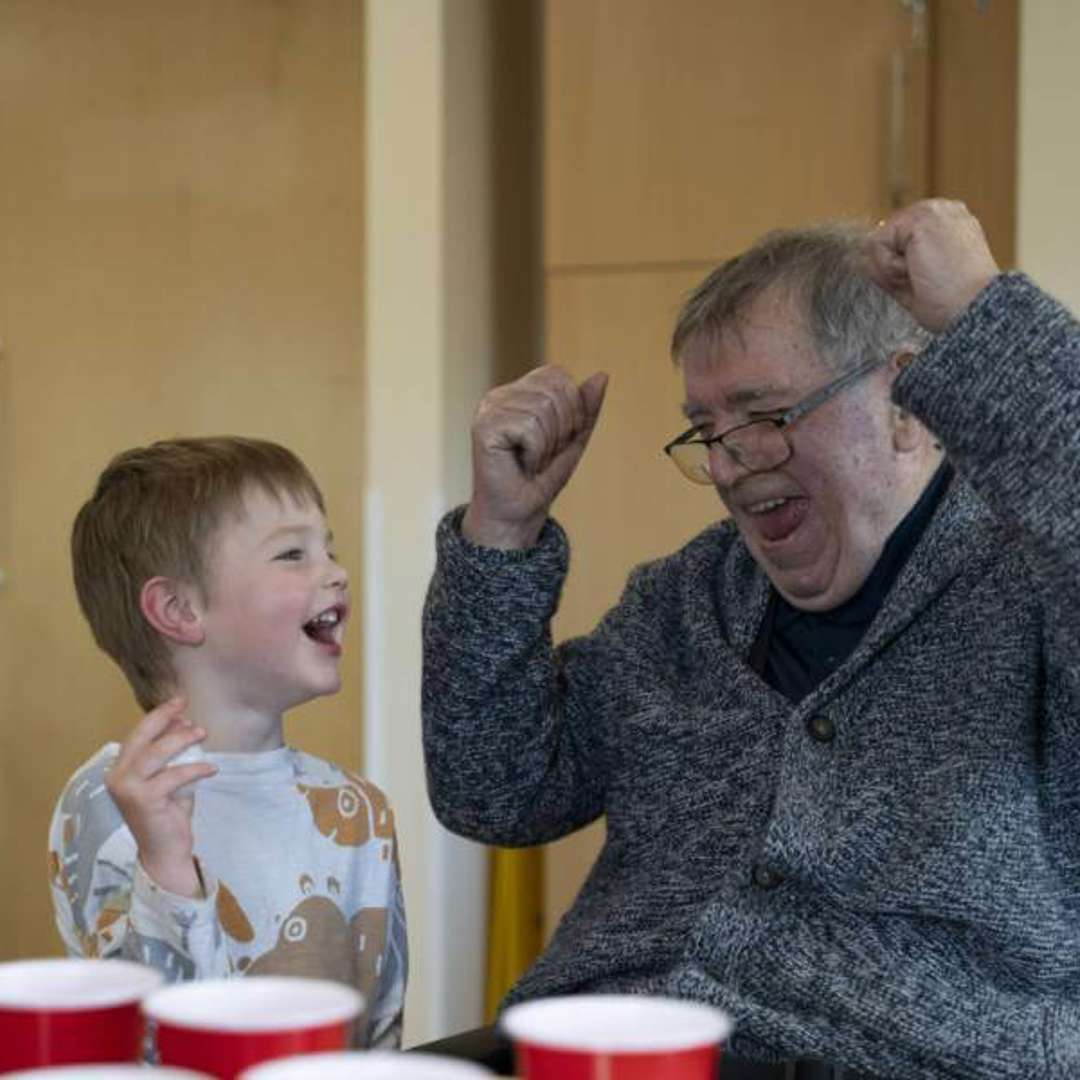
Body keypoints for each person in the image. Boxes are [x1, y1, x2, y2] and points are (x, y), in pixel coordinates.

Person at [422, 199, 1080, 1077]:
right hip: (597, 1041)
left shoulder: (1033, 587)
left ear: (908, 402)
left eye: (766, 413)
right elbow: (493, 791)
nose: (730, 464)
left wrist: (986, 317)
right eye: (707, 429)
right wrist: (499, 536)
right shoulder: (685, 599)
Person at [49, 436, 407, 1049]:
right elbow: (136, 1046)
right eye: (293, 553)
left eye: (330, 549)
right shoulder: (112, 800)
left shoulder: (357, 810)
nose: (337, 572)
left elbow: (377, 1037)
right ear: (180, 609)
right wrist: (166, 866)